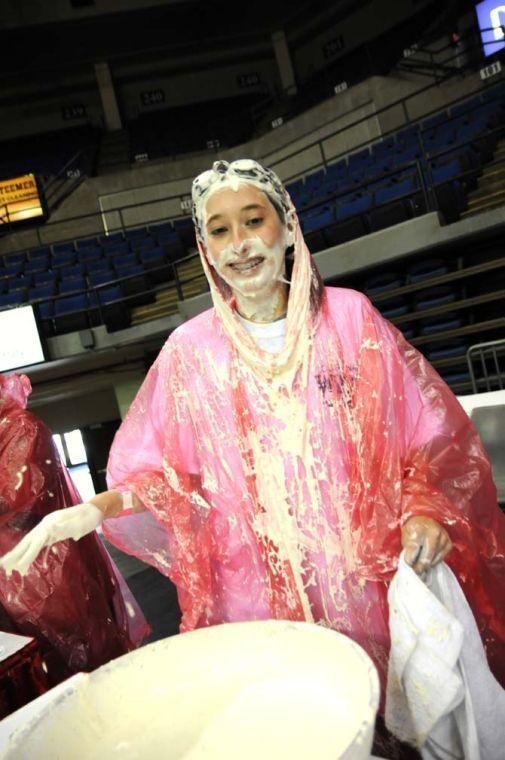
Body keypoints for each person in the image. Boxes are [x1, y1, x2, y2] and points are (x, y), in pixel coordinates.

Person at [1, 159, 504, 706]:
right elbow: (169, 477)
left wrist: (425, 507)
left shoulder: (350, 323)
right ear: (205, 248)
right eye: (219, 230)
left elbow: (428, 439)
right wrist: (95, 508)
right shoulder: (191, 355)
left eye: (253, 220)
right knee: (293, 719)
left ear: (287, 226)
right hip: (252, 594)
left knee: (379, 707)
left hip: (364, 580)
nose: (239, 244)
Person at [0, 373, 149, 684]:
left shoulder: (20, 427)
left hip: (49, 581)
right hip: (13, 587)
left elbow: (17, 497)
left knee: (85, 671)